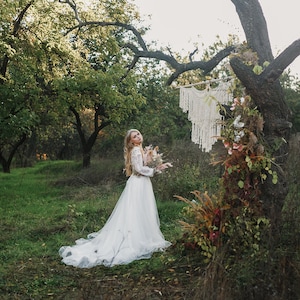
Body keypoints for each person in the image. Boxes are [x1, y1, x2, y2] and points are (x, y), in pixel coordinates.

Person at [59, 129, 172, 268]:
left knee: (139, 210)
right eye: (134, 136)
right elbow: (138, 169)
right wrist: (154, 170)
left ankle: (142, 236)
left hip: (141, 183)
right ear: (131, 141)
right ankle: (136, 239)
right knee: (137, 210)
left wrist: (151, 159)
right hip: (138, 183)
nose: (138, 136)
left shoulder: (139, 149)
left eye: (138, 134)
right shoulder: (136, 150)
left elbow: (142, 165)